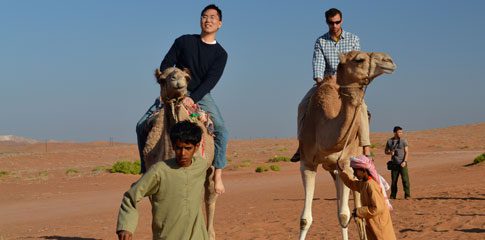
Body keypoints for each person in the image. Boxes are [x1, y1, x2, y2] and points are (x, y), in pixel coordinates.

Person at [136, 4, 227, 194]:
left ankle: (217, 175)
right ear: (200, 20)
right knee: (141, 125)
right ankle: (145, 170)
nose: (208, 20)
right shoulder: (183, 41)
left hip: (200, 95)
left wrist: (192, 98)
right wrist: (169, 85)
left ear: (219, 23)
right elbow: (166, 64)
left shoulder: (220, 54)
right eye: (204, 16)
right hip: (173, 91)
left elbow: (211, 81)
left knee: (221, 129)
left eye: (212, 17)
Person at [291, 8, 371, 162]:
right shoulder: (321, 41)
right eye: (331, 23)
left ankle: (366, 148)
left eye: (337, 22)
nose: (334, 25)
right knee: (302, 106)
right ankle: (302, 145)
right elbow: (318, 66)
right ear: (326, 22)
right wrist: (321, 81)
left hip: (348, 85)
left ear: (342, 21)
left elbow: (357, 62)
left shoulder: (353, 39)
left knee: (362, 108)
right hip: (326, 84)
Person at [116, 120, 209, 240]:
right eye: (178, 148)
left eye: (188, 148)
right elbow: (131, 196)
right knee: (141, 126)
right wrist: (126, 226)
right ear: (173, 146)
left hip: (198, 236)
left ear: (196, 147)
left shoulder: (201, 165)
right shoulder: (159, 171)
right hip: (168, 235)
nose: (182, 153)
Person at [338, 155, 396, 240]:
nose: (354, 174)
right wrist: (341, 172)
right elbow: (351, 183)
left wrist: (359, 211)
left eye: (355, 171)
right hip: (373, 224)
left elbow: (377, 208)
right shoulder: (364, 183)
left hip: (380, 226)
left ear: (363, 170)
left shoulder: (371, 185)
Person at [385, 126, 410, 199]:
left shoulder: (404, 140)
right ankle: (393, 195)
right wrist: (390, 153)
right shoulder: (389, 141)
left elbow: (407, 152)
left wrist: (405, 161)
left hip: (403, 163)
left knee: (405, 180)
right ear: (395, 132)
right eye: (399, 132)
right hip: (394, 164)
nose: (401, 133)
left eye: (401, 132)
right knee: (394, 181)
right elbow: (386, 151)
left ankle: (407, 195)